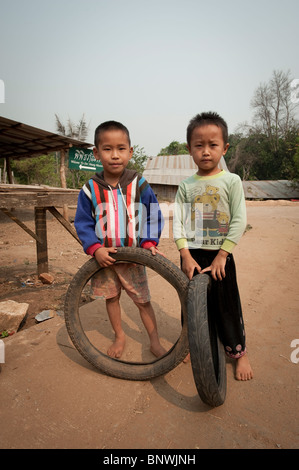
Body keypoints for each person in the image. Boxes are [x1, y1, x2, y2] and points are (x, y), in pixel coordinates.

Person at [74, 120, 166, 359]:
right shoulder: (90, 189)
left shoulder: (139, 184)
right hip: (105, 260)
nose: (115, 155)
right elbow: (82, 222)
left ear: (130, 151)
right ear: (96, 153)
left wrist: (148, 242)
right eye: (107, 149)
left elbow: (153, 215)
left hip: (134, 259)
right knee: (112, 299)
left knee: (143, 301)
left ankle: (154, 341)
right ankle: (119, 335)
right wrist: (95, 249)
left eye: (121, 148)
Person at [173, 111, 253, 381]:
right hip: (192, 256)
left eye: (213, 145)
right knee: (192, 305)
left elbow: (240, 220)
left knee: (227, 306)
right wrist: (184, 253)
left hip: (221, 256)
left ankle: (238, 353)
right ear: (189, 149)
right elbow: (179, 223)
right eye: (199, 145)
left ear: (224, 148)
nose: (205, 151)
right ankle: (190, 345)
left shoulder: (232, 181)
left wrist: (222, 255)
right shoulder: (185, 185)